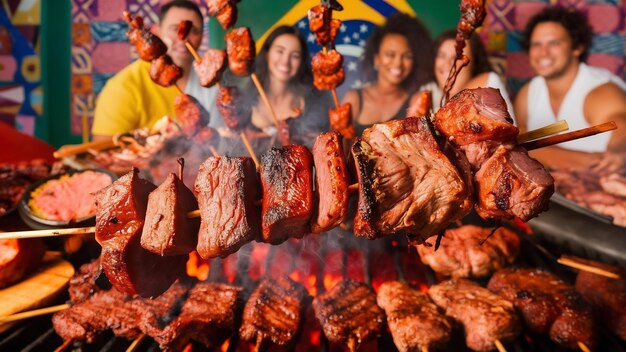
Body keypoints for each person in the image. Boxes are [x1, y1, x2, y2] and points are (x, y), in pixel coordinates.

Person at [514, 6, 626, 169]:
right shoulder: (528, 93)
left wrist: (618, 154)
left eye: (554, 43)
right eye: (536, 45)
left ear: (577, 47)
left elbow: (622, 135)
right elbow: (520, 143)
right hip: (559, 184)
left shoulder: (601, 91)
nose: (543, 52)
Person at [92, 0, 220, 140]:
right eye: (174, 29)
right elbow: (102, 154)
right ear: (157, 31)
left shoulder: (212, 80)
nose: (184, 39)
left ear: (202, 37)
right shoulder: (122, 87)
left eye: (194, 30)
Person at [219, 25, 332, 155]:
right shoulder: (240, 101)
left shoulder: (316, 102)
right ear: (267, 54)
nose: (285, 61)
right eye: (280, 51)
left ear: (301, 62)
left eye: (295, 56)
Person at [342, 12, 434, 136]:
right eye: (390, 55)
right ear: (376, 59)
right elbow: (341, 149)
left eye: (407, 56)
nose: (398, 63)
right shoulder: (354, 98)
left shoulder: (417, 101)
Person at [419, 30, 515, 117]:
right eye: (441, 56)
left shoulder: (488, 84)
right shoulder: (426, 92)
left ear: (474, 63)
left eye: (457, 57)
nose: (448, 64)